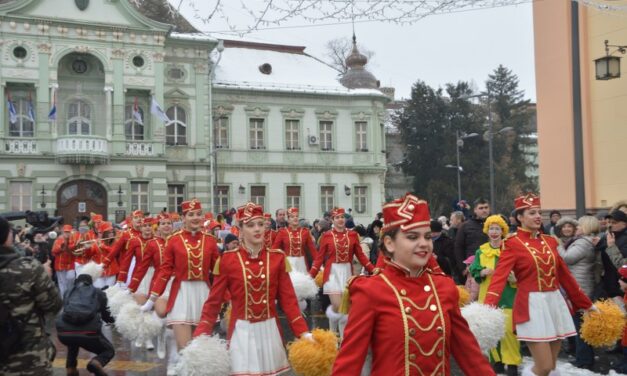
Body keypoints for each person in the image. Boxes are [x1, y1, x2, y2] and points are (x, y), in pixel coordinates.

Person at [332, 194, 495, 376]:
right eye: (412, 237)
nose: (423, 244)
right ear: (389, 243)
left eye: (427, 237)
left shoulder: (444, 288)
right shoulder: (371, 291)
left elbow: (469, 354)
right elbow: (349, 362)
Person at [193, 202, 312, 376]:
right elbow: (213, 302)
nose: (257, 229)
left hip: (270, 331)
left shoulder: (277, 258)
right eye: (250, 225)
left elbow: (289, 302)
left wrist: (303, 332)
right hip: (241, 332)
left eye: (260, 224)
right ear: (240, 229)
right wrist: (201, 333)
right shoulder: (228, 260)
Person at [484, 194, 595, 376]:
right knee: (542, 366)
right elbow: (499, 278)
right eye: (532, 212)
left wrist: (586, 304)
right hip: (531, 307)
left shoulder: (550, 241)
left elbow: (565, 277)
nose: (538, 216)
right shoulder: (512, 244)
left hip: (554, 304)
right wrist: (487, 309)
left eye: (539, 212)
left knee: (550, 367)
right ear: (520, 217)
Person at [145, 199, 220, 351]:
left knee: (200, 349)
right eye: (191, 214)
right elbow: (165, 271)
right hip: (181, 293)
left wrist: (228, 296)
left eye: (198, 214)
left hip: (203, 294)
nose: (195, 218)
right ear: (183, 218)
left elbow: (219, 272)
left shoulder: (210, 241)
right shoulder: (174, 240)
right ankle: (176, 359)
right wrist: (152, 298)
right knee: (185, 349)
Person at [0, 216, 63, 376]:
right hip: (26, 358)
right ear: (7, 236)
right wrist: (45, 276)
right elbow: (53, 305)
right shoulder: (28, 268)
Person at [309, 207, 375, 335]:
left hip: (347, 273)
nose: (340, 220)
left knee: (343, 309)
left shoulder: (352, 235)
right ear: (332, 220)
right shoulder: (327, 236)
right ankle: (333, 336)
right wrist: (311, 275)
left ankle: (342, 341)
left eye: (342, 217)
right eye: (337, 217)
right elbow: (319, 258)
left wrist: (373, 269)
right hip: (332, 274)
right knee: (338, 306)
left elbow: (361, 255)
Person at [469, 215, 520, 376]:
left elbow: (522, 271)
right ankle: (496, 362)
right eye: (491, 228)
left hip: (508, 295)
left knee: (509, 331)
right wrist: (481, 272)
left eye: (498, 229)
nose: (494, 232)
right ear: (487, 231)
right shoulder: (481, 250)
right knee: (490, 329)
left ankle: (512, 364)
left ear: (503, 231)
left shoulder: (510, 249)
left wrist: (515, 279)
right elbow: (474, 269)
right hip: (487, 294)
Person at [557, 215, 600, 370]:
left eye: (580, 226)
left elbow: (567, 258)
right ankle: (583, 357)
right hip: (581, 285)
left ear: (586, 227)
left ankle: (584, 360)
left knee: (581, 325)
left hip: (581, 287)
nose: (577, 228)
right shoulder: (586, 242)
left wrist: (557, 245)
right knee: (580, 324)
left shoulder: (583, 242)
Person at [55, 271, 115, 376]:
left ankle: (71, 368)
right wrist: (114, 321)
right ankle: (96, 363)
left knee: (73, 341)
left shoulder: (68, 291)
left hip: (64, 333)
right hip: (89, 333)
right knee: (108, 351)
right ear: (91, 283)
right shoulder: (98, 292)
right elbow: (106, 315)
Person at [454, 198, 490, 283]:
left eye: (486, 207)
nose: (484, 210)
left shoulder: (496, 224)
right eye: (481, 208)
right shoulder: (465, 226)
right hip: (473, 268)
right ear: (475, 210)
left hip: (492, 266)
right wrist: (463, 268)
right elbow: (458, 247)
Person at [272, 207, 318, 273]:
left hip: (302, 264)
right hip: (288, 263)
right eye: (292, 216)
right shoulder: (282, 232)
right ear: (288, 220)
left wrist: (319, 265)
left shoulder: (305, 232)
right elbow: (275, 249)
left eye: (297, 216)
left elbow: (313, 250)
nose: (295, 218)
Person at [51, 224, 77, 297]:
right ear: (63, 232)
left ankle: (70, 295)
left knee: (71, 278)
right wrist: (61, 248)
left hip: (70, 265)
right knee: (62, 284)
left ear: (71, 232)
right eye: (65, 232)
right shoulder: (58, 240)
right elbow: (53, 251)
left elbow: (75, 251)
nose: (67, 233)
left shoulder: (73, 240)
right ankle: (64, 300)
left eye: (68, 232)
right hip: (60, 265)